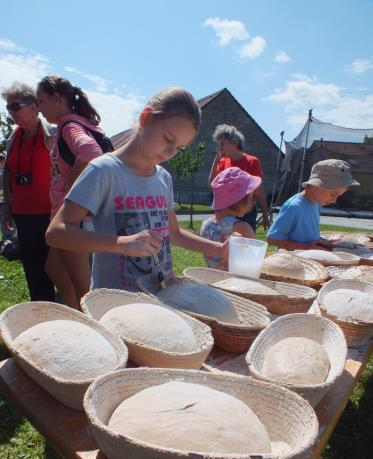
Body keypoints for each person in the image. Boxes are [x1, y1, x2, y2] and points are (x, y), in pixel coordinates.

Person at [45, 87, 229, 291]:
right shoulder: (104, 170)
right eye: (168, 139)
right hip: (117, 304)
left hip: (162, 295)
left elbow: (173, 233)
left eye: (179, 148)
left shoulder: (163, 178)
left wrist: (220, 249)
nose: (170, 153)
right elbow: (55, 233)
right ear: (146, 118)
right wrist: (121, 243)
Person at [36, 75, 106, 309]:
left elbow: (90, 151)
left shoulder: (69, 125)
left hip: (75, 218)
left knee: (82, 285)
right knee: (52, 268)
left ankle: (93, 324)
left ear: (57, 98)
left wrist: (70, 183)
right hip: (64, 218)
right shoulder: (67, 126)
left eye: (41, 102)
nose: (39, 109)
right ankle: (73, 311)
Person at [1, 82, 55, 301]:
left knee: (56, 267)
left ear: (34, 106)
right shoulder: (13, 138)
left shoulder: (52, 134)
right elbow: (8, 175)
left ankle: (66, 311)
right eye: (8, 108)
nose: (11, 112)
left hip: (52, 213)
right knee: (33, 268)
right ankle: (41, 309)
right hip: (23, 214)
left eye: (15, 106)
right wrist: (7, 208)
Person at [267, 159, 359, 251]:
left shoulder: (315, 203)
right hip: (291, 260)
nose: (334, 201)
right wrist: (306, 247)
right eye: (333, 194)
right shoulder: (294, 207)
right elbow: (272, 239)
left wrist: (323, 241)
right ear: (316, 185)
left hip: (308, 256)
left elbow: (308, 236)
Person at [208, 124, 270, 231]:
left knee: (247, 244)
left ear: (235, 143)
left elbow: (259, 191)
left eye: (223, 144)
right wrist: (216, 161)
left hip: (247, 213)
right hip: (227, 212)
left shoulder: (252, 162)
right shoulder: (222, 162)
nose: (220, 148)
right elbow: (211, 185)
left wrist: (265, 215)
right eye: (219, 144)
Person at [200, 167, 261, 270]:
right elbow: (258, 257)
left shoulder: (205, 225)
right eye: (252, 196)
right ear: (239, 200)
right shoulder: (242, 228)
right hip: (236, 283)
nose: (253, 202)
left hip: (212, 280)